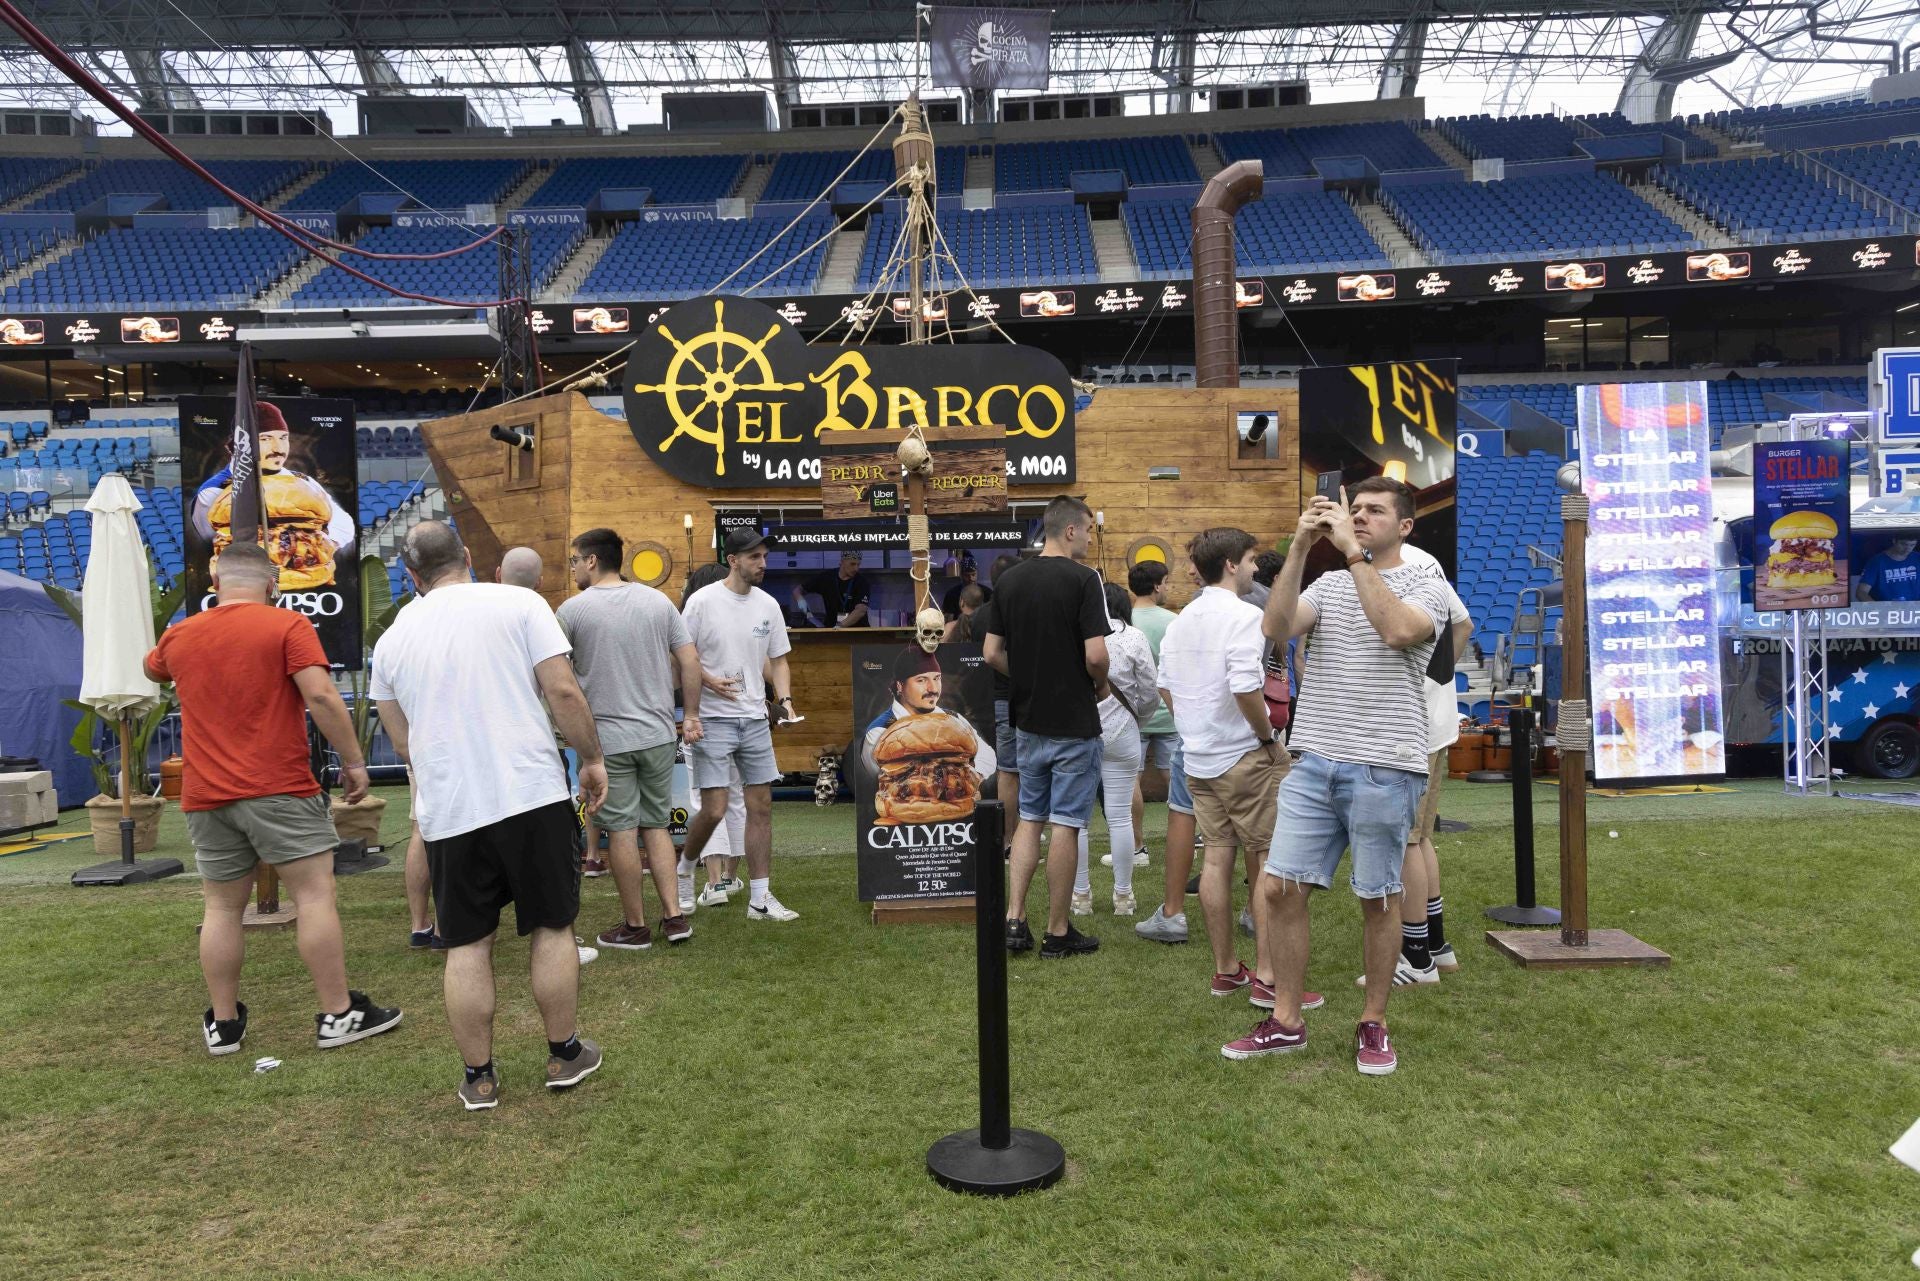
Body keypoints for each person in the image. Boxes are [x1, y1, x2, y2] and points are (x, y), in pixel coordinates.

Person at [373, 522, 610, 1111]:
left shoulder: (393, 640)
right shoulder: (520, 602)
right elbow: (563, 692)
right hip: (529, 793)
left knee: (467, 944)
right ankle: (563, 1051)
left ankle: (479, 1076)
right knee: (553, 927)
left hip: (451, 807)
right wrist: (592, 757)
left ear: (411, 577)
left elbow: (400, 741)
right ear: (470, 558)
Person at [1225, 479, 1449, 1075]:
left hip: (1384, 765)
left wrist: (1351, 552)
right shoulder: (1325, 582)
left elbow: (1398, 630)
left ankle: (1373, 1021)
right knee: (1278, 889)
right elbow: (1274, 628)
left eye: (1375, 511)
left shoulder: (1428, 582)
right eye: (1355, 511)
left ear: (1405, 526)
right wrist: (1300, 546)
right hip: (1313, 760)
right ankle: (1288, 1020)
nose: (1360, 518)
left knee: (1378, 899)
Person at [145, 542, 402, 1057]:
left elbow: (154, 669)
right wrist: (355, 763)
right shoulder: (287, 626)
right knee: (313, 897)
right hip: (278, 786)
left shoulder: (180, 635)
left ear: (215, 583)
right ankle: (337, 1013)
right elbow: (323, 696)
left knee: (221, 907)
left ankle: (223, 1025)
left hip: (207, 794)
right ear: (272, 583)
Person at [1157, 530, 1304, 1009]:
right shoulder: (1245, 617)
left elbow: (1165, 689)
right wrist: (1266, 739)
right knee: (1265, 862)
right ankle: (1265, 974)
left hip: (1199, 755)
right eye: (1249, 560)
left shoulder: (1181, 621)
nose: (1254, 569)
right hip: (1243, 754)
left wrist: (1195, 727)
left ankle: (1227, 969)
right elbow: (1245, 687)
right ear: (1230, 565)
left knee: (1217, 859)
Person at [558, 527, 705, 951]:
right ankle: (674, 919)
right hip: (659, 734)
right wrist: (690, 713)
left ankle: (636, 927)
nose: (572, 568)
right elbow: (689, 660)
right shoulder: (657, 601)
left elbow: (557, 680)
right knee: (657, 825)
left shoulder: (571, 611)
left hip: (607, 741)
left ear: (591, 561)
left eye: (574, 560)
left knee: (621, 831)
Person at [983, 495, 1109, 958]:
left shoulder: (1010, 580)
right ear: (1071, 530)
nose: (1092, 538)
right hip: (1074, 721)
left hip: (1027, 720)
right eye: (1090, 530)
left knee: (1030, 819)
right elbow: (1096, 655)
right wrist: (1098, 684)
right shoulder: (1084, 580)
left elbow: (993, 654)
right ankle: (1058, 931)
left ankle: (1015, 919)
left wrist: (1032, 675)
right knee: (1066, 824)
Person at [680, 528, 800, 922]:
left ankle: (760, 898)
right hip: (711, 719)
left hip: (752, 719)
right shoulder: (701, 602)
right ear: (733, 560)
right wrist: (708, 680)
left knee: (760, 806)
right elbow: (682, 656)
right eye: (754, 558)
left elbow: (779, 659)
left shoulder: (768, 605)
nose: (763, 564)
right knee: (713, 810)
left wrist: (783, 701)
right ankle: (685, 869)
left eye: (764, 556)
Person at [193, 401, 355, 589]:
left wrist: (311, 547)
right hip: (242, 584)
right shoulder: (215, 492)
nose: (278, 448)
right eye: (266, 438)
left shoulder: (305, 483)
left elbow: (344, 525)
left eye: (283, 437)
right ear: (242, 443)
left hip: (311, 584)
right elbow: (214, 540)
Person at [1072, 583, 1158, 916]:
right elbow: (1149, 688)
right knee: (1120, 817)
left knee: (1076, 820)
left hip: (1080, 730)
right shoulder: (1134, 638)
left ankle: (1081, 896)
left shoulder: (1076, 638)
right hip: (1124, 731)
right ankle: (1124, 896)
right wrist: (1139, 716)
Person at [680, 562, 747, 905]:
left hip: (703, 720)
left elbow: (683, 663)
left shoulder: (689, 620)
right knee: (734, 798)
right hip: (742, 720)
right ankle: (730, 879)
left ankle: (715, 883)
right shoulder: (741, 616)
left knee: (707, 801)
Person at [1117, 561, 1175, 874]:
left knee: (1130, 780)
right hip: (1169, 710)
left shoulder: (1122, 623)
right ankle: (1196, 835)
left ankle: (1137, 845)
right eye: (1166, 582)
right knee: (1178, 775)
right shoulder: (1173, 621)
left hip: (1133, 712)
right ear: (1156, 585)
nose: (1168, 588)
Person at [796, 550, 871, 628]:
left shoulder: (862, 582)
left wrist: (840, 626)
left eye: (858, 565)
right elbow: (797, 591)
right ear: (842, 562)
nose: (856, 568)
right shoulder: (826, 578)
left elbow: (861, 610)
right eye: (852, 564)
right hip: (831, 630)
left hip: (858, 630)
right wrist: (810, 617)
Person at [1856, 535, 1920, 601]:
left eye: (1912, 545)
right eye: (1904, 544)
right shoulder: (1877, 562)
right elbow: (1861, 592)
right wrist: (1878, 609)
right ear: (1894, 541)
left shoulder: (1917, 558)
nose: (1908, 549)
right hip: (1886, 608)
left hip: (1915, 608)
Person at [941, 553, 991, 620]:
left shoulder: (987, 593)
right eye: (967, 575)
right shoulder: (951, 595)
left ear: (977, 573)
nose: (971, 578)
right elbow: (948, 620)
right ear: (961, 576)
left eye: (973, 574)